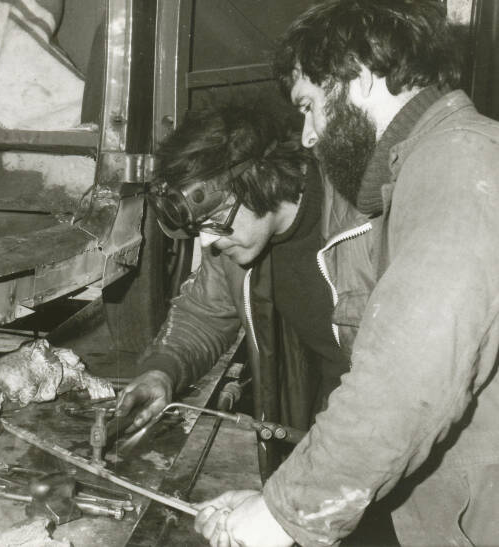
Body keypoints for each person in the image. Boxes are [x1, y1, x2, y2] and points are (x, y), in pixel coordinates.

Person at [194, 1, 499, 546]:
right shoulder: (429, 164)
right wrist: (279, 498)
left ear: (360, 74)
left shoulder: (457, 161)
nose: (309, 135)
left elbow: (406, 375)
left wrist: (288, 511)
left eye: (309, 105)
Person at [116, 101, 351, 482]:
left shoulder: (357, 220)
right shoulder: (237, 243)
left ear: (260, 177)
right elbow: (203, 314)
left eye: (214, 220)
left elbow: (395, 381)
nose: (207, 241)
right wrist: (161, 372)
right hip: (335, 421)